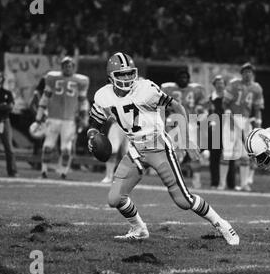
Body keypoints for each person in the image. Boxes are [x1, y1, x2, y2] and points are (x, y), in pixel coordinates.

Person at [87, 52, 239, 245]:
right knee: (114, 198)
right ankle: (139, 229)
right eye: (121, 74)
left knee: (184, 201)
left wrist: (185, 139)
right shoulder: (103, 95)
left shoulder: (146, 89)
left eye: (129, 73)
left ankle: (222, 223)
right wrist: (92, 136)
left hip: (158, 146)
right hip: (136, 149)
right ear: (111, 77)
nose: (127, 78)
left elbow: (178, 107)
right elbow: (94, 123)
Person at [34, 56, 89, 179]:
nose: (67, 68)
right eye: (65, 66)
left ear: (73, 68)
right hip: (53, 117)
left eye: (69, 66)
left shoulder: (80, 81)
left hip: (69, 120)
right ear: (61, 67)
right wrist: (39, 116)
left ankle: (63, 172)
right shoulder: (52, 78)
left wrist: (84, 117)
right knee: (48, 146)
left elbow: (83, 101)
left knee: (66, 148)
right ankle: (44, 172)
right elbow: (45, 98)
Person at [161, 69, 206, 189]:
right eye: (181, 77)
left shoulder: (196, 89)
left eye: (186, 77)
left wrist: (200, 114)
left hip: (190, 123)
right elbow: (162, 106)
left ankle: (197, 182)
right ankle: (174, 181)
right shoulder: (168, 88)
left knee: (194, 152)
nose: (183, 80)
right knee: (173, 153)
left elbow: (202, 106)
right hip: (173, 123)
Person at [223, 62, 264, 191]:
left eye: (250, 72)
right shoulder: (234, 84)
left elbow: (257, 107)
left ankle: (244, 183)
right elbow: (225, 103)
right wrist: (228, 112)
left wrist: (258, 120)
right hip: (231, 118)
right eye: (245, 72)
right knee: (227, 152)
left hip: (246, 120)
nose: (248, 74)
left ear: (253, 74)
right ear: (241, 73)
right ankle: (222, 183)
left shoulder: (257, 88)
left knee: (246, 154)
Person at [0, 69, 17, 177]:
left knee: (9, 148)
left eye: (0, 76)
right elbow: (5, 106)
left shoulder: (7, 93)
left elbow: (10, 107)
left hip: (4, 121)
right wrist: (2, 106)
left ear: (3, 79)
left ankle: (12, 171)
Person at [207, 75, 226, 189]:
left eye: (222, 82)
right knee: (214, 155)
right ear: (214, 85)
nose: (220, 85)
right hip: (215, 128)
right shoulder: (210, 98)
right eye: (217, 83)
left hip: (227, 127)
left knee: (229, 156)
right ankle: (214, 182)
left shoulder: (228, 97)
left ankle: (230, 182)